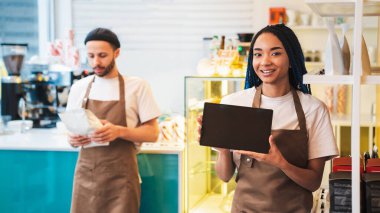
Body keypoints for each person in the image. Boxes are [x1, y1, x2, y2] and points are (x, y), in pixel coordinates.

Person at [199, 24, 339, 212]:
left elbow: (313, 182)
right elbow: (224, 176)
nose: (265, 61)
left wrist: (281, 163)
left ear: (291, 59)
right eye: (258, 54)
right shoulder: (233, 104)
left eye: (275, 53)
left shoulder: (313, 109)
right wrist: (222, 147)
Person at [66, 28, 160, 213]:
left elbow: (153, 133)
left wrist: (119, 131)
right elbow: (71, 131)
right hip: (86, 179)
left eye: (102, 55)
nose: (96, 62)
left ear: (116, 53)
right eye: (91, 56)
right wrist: (73, 139)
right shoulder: (79, 87)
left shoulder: (138, 86)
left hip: (121, 181)